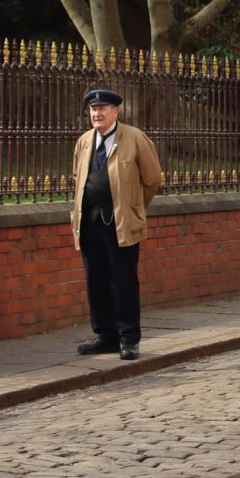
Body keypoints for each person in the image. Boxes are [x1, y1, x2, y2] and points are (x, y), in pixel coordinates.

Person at [71, 87, 163, 360]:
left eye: (102, 109)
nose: (97, 113)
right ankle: (105, 335)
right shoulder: (85, 141)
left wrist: (133, 207)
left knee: (123, 280)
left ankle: (128, 337)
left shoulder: (135, 138)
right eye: (93, 109)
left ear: (116, 111)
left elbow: (152, 178)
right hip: (90, 223)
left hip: (120, 223)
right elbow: (78, 177)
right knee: (95, 280)